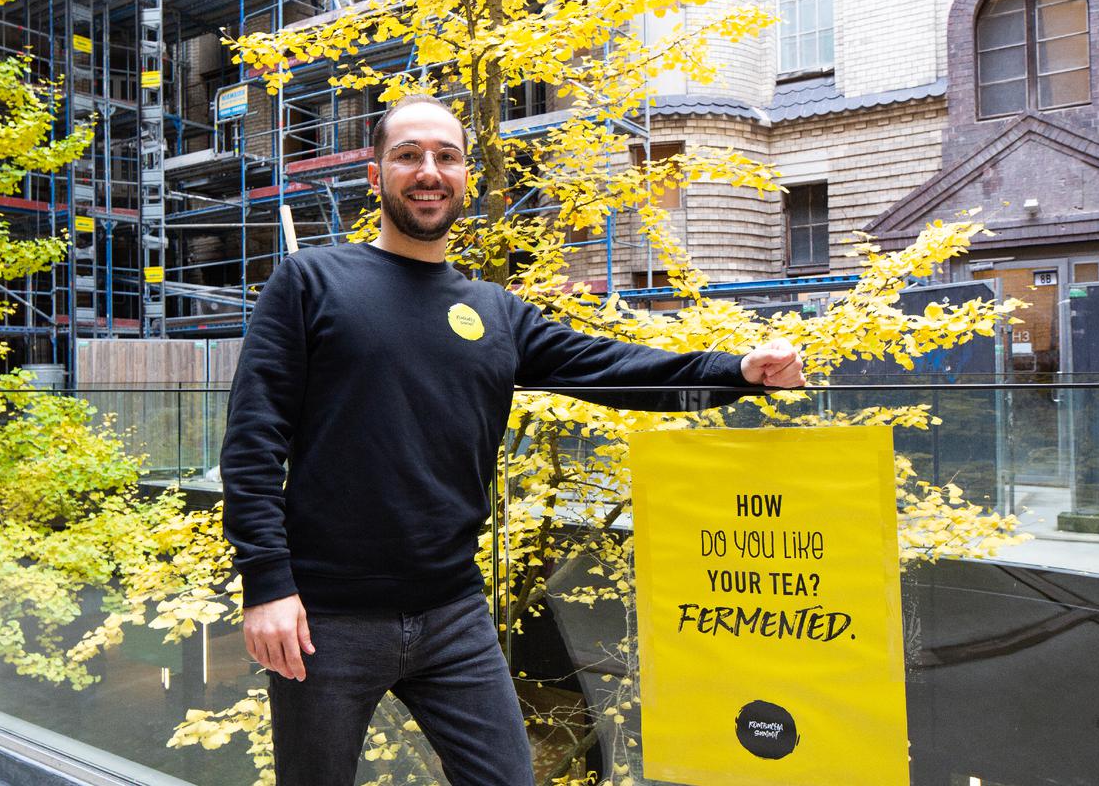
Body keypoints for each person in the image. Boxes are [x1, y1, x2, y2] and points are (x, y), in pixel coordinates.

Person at [220, 94, 804, 786]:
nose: (428, 170)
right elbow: (255, 439)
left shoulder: (492, 312)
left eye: (446, 156)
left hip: (453, 615)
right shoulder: (311, 281)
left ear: (467, 178)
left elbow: (616, 368)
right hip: (325, 618)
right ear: (376, 177)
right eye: (408, 155)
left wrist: (737, 371)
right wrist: (266, 583)